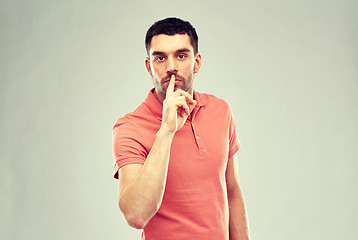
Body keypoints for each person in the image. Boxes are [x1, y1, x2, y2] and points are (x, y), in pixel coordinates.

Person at [112, 17, 250, 240]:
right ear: (149, 66)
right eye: (160, 58)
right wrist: (166, 131)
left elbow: (232, 190)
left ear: (197, 62)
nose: (171, 67)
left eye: (181, 55)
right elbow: (136, 215)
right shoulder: (130, 127)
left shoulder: (221, 110)